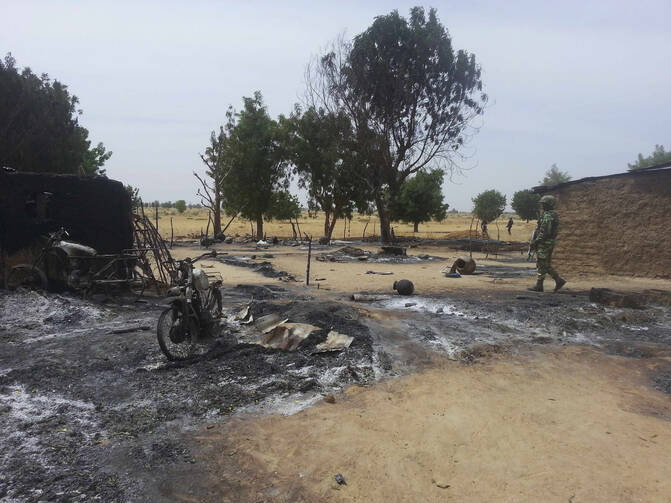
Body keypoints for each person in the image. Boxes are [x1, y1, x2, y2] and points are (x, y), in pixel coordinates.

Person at [528, 195, 566, 292]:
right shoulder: (552, 214)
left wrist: (535, 241)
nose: (542, 206)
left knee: (542, 263)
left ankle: (544, 284)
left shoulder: (548, 216)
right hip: (548, 242)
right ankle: (555, 281)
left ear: (549, 204)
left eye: (544, 204)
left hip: (545, 243)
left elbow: (545, 232)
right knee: (544, 263)